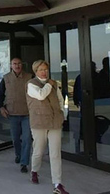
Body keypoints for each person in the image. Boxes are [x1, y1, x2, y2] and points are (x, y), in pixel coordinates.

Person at [27, 60, 69, 194]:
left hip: (55, 121)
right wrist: (49, 85)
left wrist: (63, 113)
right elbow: (41, 95)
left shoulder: (53, 84)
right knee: (38, 149)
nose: (44, 72)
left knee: (55, 153)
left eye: (46, 69)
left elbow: (60, 99)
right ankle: (34, 170)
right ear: (36, 71)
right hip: (39, 122)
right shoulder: (31, 84)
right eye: (41, 70)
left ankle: (57, 184)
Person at [0, 57, 33, 173]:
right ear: (11, 65)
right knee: (15, 139)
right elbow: (0, 95)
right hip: (12, 113)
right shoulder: (6, 78)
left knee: (27, 139)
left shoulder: (30, 77)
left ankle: (24, 163)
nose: (17, 66)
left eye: (19, 64)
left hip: (27, 113)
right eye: (14, 64)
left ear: (22, 65)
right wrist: (1, 107)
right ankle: (18, 154)